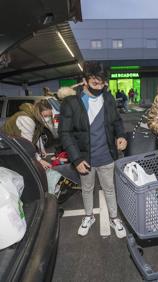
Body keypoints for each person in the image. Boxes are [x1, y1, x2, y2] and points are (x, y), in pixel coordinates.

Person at [59, 61, 128, 238]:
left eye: (102, 83)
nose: (99, 86)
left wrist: (121, 136)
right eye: (95, 82)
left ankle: (114, 218)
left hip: (106, 156)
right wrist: (76, 159)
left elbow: (117, 122)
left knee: (110, 188)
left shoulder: (109, 99)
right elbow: (65, 133)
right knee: (87, 189)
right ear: (85, 80)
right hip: (84, 159)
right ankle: (89, 216)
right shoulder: (71, 103)